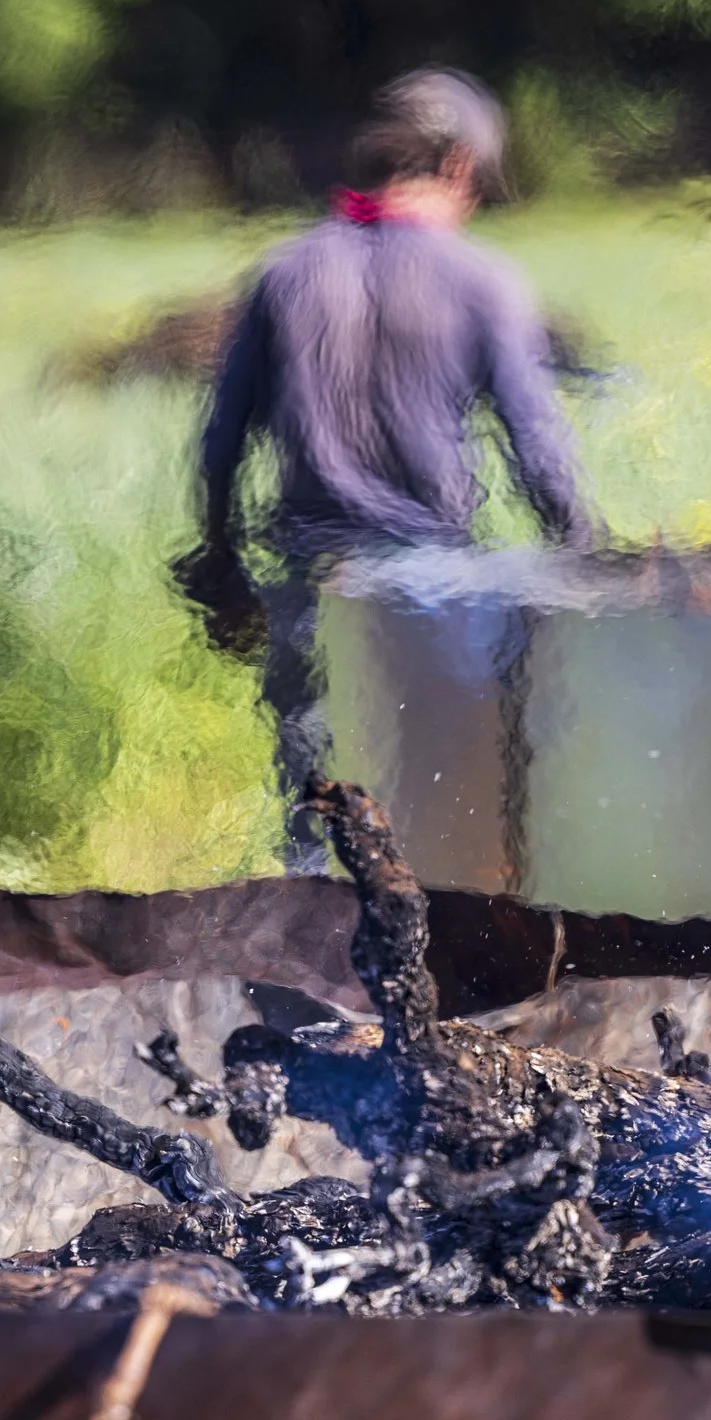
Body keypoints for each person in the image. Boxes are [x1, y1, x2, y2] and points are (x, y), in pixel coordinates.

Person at [175, 68, 594, 874]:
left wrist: (219, 553)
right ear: (462, 167)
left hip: (311, 581)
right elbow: (539, 449)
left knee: (317, 822)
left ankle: (305, 992)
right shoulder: (482, 282)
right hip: (431, 589)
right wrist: (584, 559)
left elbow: (220, 442)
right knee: (447, 822)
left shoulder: (285, 274)